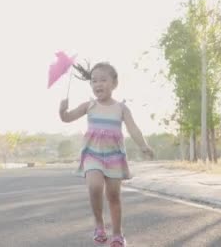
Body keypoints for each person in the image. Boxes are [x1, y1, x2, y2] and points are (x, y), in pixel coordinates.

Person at [59, 62, 154, 247]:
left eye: (103, 80)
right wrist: (62, 110)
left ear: (114, 83)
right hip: (92, 154)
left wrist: (144, 145)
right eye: (94, 81)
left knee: (113, 195)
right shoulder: (89, 105)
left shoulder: (121, 108)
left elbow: (133, 129)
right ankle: (99, 225)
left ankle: (117, 234)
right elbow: (67, 118)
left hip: (114, 156)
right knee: (94, 187)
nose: (98, 84)